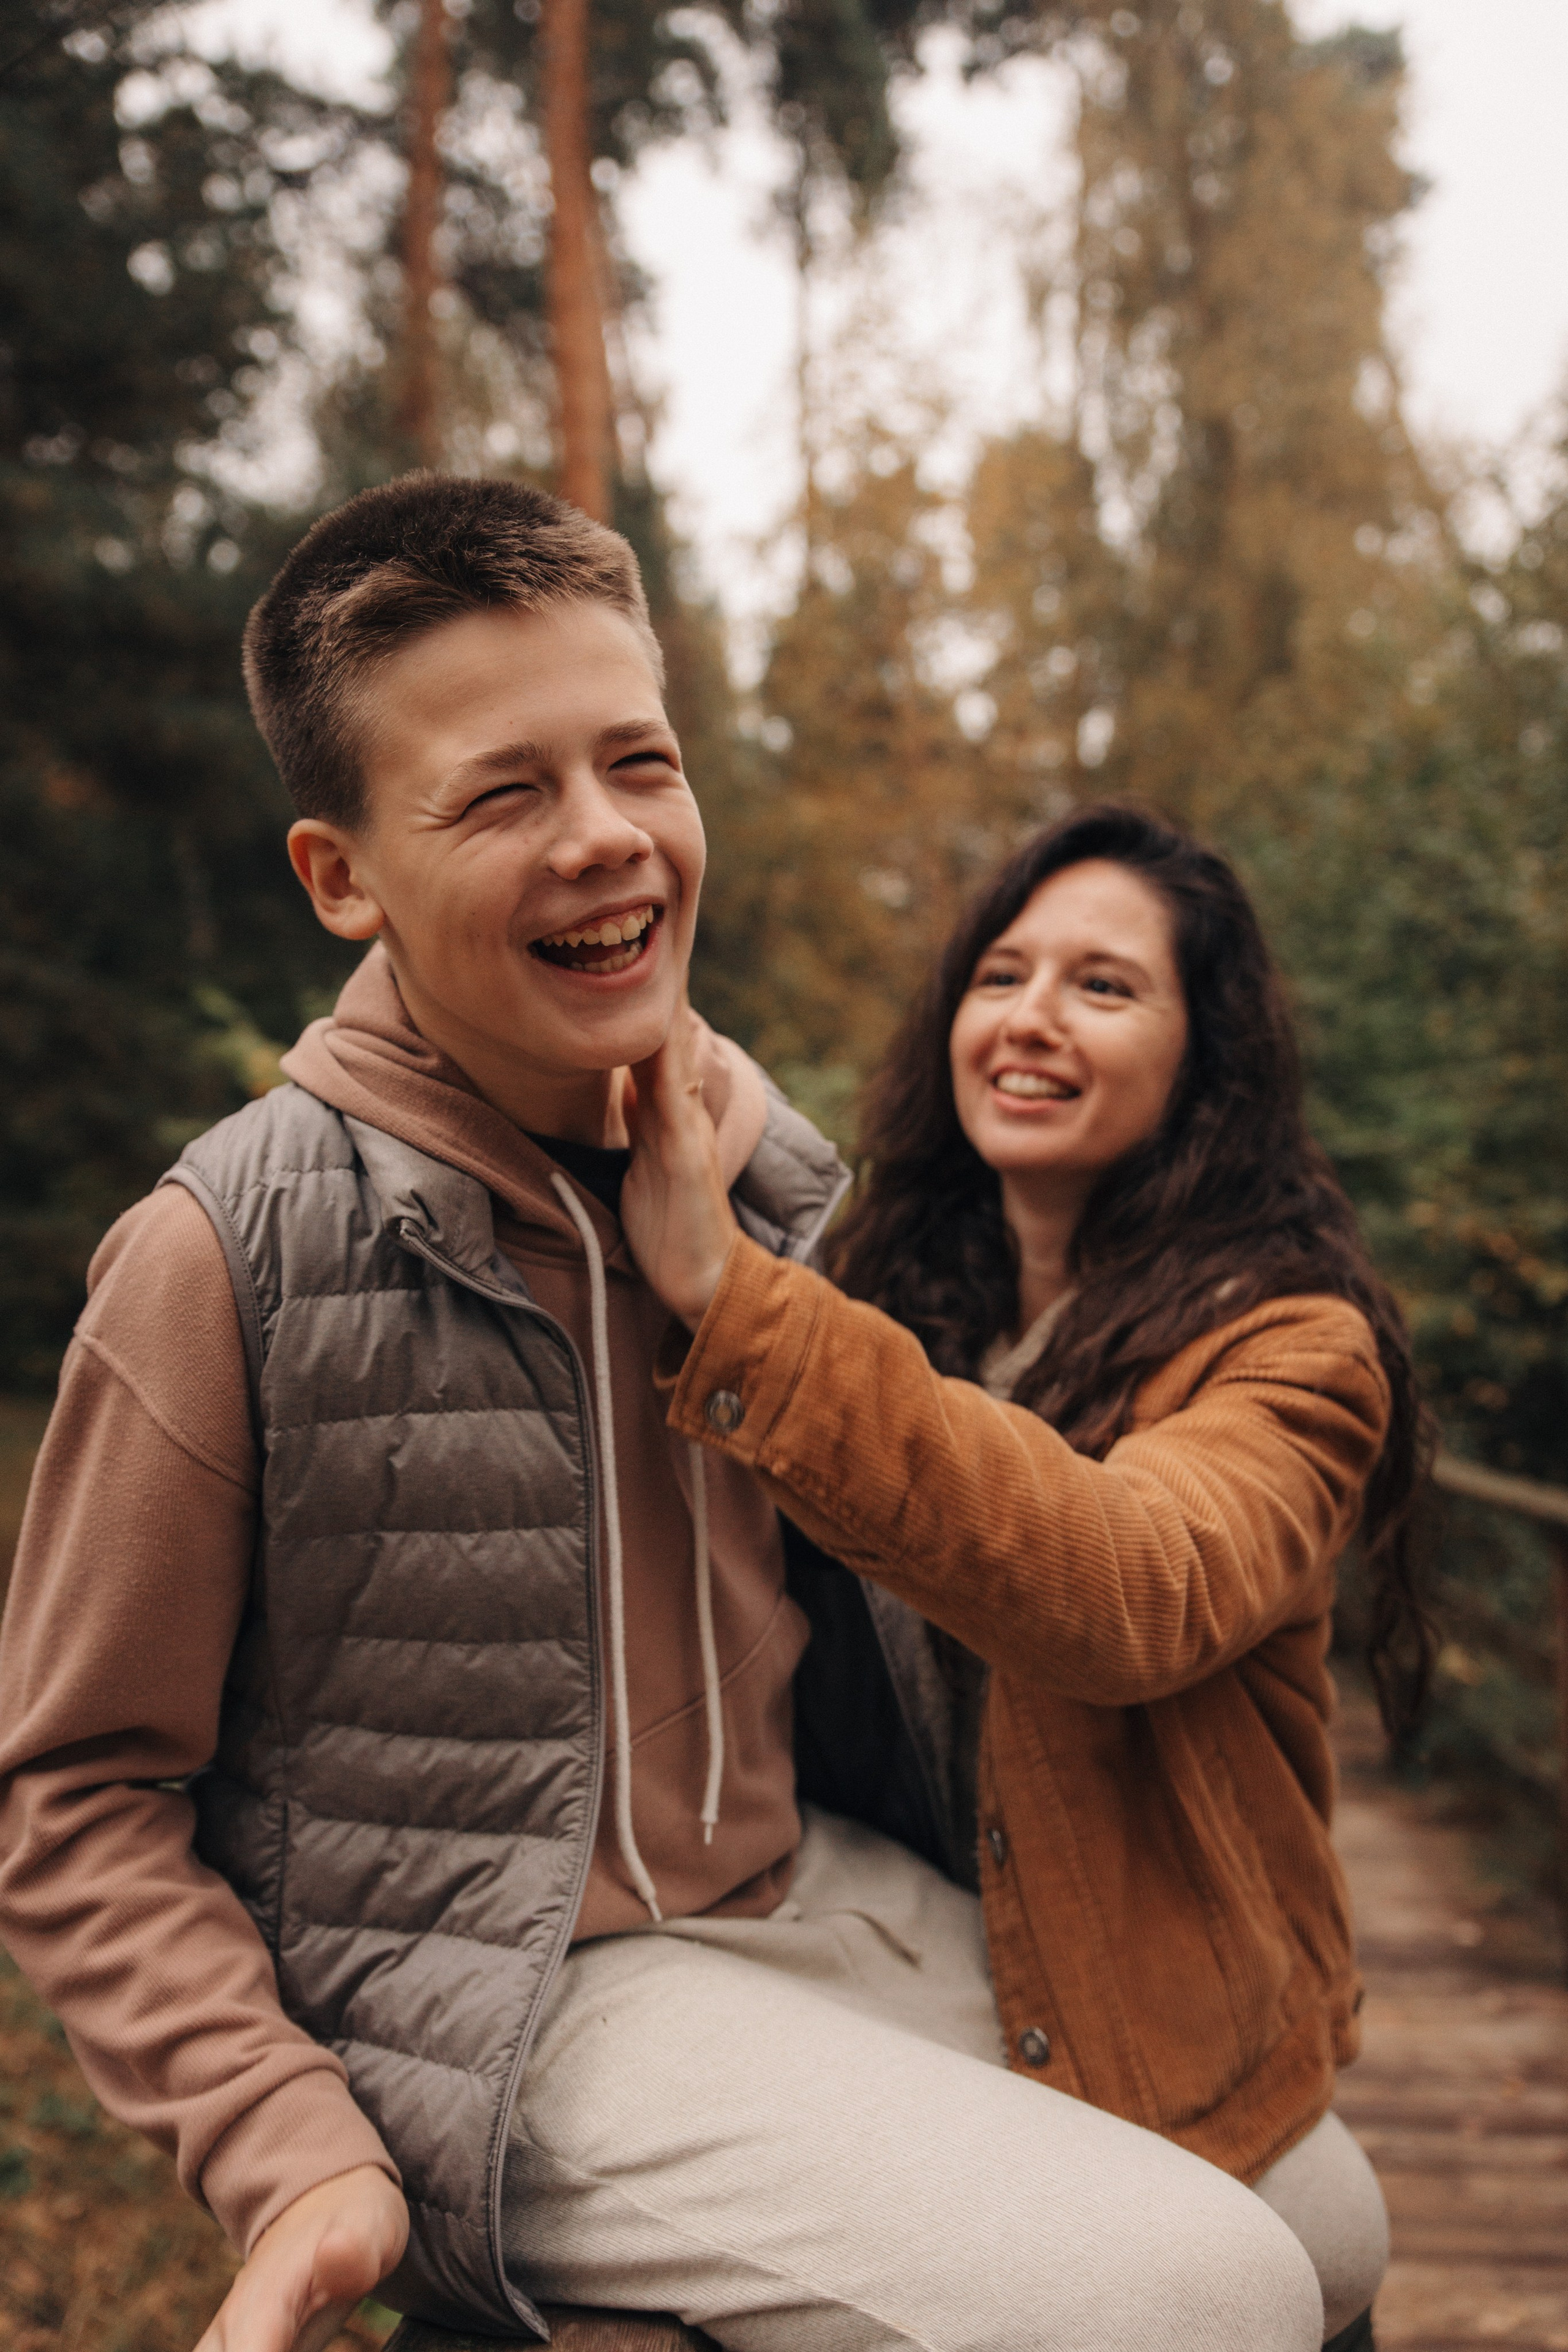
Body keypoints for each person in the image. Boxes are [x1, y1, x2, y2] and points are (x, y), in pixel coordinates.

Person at [0, 492, 1325, 2352]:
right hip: (515, 1990)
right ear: (341, 875)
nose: (607, 835)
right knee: (1217, 2292)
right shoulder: (223, 1254)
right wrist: (283, 2144)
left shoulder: (764, 1179)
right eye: (503, 792)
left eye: (641, 762)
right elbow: (73, 1799)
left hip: (812, 1896)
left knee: (1324, 2206)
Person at [616, 804, 1431, 2352]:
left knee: (1283, 2259)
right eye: (1001, 975)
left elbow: (1130, 1584)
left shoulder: (1292, 1350)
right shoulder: (890, 1292)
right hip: (916, 1937)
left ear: (1207, 1061)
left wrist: (740, 1304)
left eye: (1103, 987)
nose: (1031, 1019)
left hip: (1155, 2001)